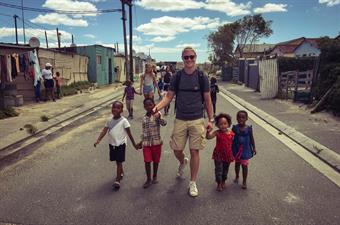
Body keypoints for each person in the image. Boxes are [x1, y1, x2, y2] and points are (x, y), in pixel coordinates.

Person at [152, 46, 214, 197]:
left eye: (191, 57)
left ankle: (192, 183)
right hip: (180, 118)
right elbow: (168, 97)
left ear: (195, 57)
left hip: (197, 119)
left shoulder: (202, 76)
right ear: (182, 59)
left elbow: (207, 99)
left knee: (195, 151)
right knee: (176, 149)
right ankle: (182, 161)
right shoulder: (177, 76)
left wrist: (211, 119)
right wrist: (156, 108)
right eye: (186, 57)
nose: (189, 60)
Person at [94, 101, 139, 190]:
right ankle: (121, 172)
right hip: (112, 144)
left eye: (118, 108)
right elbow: (104, 130)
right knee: (117, 161)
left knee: (119, 162)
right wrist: (98, 140)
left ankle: (117, 180)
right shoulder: (109, 120)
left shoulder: (124, 121)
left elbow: (129, 134)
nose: (115, 109)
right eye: (113, 107)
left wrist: (134, 145)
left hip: (121, 144)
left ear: (122, 110)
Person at [137, 98, 167, 188]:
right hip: (146, 144)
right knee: (147, 161)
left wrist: (159, 117)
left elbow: (164, 123)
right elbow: (144, 132)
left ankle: (154, 176)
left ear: (154, 105)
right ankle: (148, 179)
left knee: (156, 161)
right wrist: (141, 142)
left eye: (150, 104)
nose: (148, 107)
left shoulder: (157, 114)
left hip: (156, 143)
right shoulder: (144, 117)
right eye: (146, 105)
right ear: (144, 107)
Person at [206, 113, 234, 191]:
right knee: (218, 170)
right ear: (217, 125)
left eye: (225, 123)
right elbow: (208, 137)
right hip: (218, 154)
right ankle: (219, 183)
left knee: (225, 170)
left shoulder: (231, 134)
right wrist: (208, 132)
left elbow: (235, 144)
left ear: (228, 124)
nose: (223, 126)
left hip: (228, 155)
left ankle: (223, 181)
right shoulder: (217, 132)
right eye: (220, 124)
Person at [232, 110, 256, 189]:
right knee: (237, 164)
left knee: (244, 166)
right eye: (239, 117)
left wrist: (254, 147)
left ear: (246, 118)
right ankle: (237, 176)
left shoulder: (249, 129)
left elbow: (252, 139)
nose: (241, 119)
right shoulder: (235, 128)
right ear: (236, 118)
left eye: (243, 117)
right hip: (236, 149)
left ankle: (244, 181)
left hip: (245, 150)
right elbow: (231, 137)